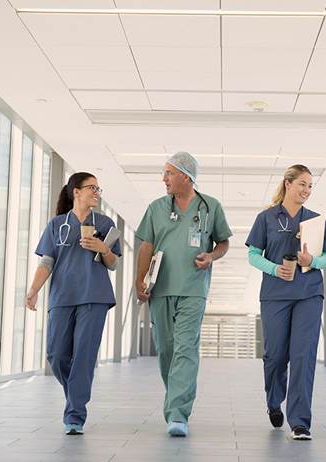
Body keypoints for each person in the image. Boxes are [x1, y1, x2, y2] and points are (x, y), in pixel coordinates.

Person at [135, 151, 232, 437]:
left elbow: (223, 242)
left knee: (185, 348)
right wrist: (139, 280)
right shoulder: (156, 208)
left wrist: (211, 256)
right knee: (166, 350)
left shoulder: (211, 207)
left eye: (169, 173)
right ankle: (176, 397)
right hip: (160, 288)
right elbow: (146, 246)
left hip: (192, 289)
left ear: (186, 177)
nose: (163, 178)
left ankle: (178, 413)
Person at [24, 172, 121, 435]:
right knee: (56, 355)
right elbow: (47, 262)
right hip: (62, 297)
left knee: (83, 358)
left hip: (94, 296)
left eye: (98, 188)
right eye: (92, 188)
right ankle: (75, 394)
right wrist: (33, 290)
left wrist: (104, 249)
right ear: (76, 191)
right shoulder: (57, 224)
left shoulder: (104, 223)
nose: (96, 192)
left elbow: (113, 264)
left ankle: (75, 415)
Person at [245, 164, 326, 441]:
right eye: (302, 184)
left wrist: (313, 261)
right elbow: (253, 255)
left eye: (310, 186)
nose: (307, 190)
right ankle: (274, 401)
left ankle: (300, 422)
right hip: (275, 295)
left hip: (309, 293)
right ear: (287, 183)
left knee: (303, 356)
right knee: (275, 356)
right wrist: (274, 269)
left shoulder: (316, 221)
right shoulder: (267, 218)